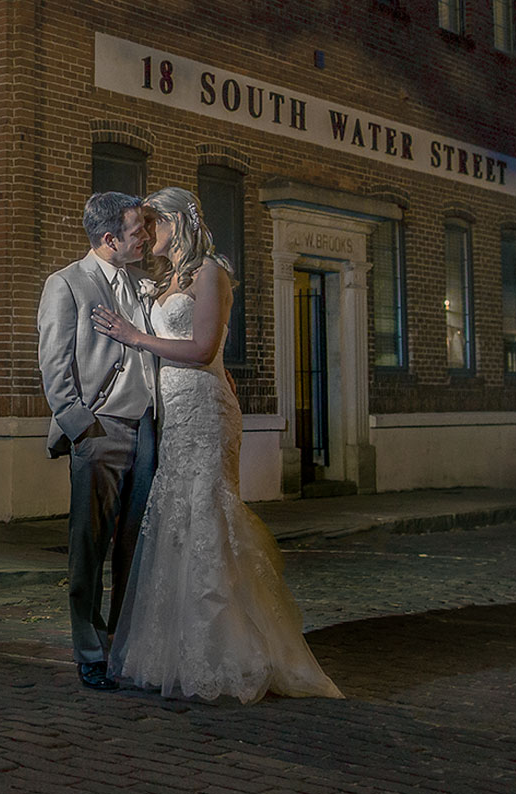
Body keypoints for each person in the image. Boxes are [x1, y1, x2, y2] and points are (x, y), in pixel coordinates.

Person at [91, 186, 342, 703]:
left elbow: (203, 347)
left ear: (177, 223)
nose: (145, 235)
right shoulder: (164, 282)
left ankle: (227, 649)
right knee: (175, 519)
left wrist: (133, 337)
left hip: (204, 411)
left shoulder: (212, 273)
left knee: (206, 514)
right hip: (172, 415)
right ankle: (176, 649)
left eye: (152, 225)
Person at [36, 191, 160, 691]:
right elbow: (54, 366)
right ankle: (88, 649)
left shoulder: (140, 283)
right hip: (101, 428)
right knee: (88, 545)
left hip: (147, 429)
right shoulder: (66, 284)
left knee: (135, 544)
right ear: (109, 239)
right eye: (137, 232)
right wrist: (82, 429)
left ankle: (122, 643)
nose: (146, 238)